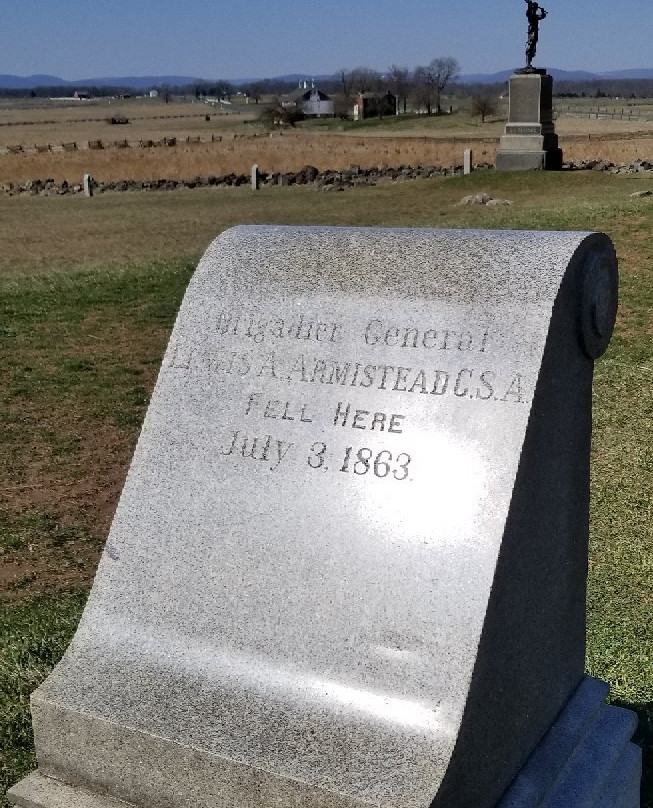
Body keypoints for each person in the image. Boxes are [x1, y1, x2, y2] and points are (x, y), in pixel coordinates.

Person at [525, 0, 547, 68]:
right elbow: (528, 13)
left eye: (536, 8)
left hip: (535, 33)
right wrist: (529, 4)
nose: (535, 9)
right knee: (530, 47)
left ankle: (529, 63)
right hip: (532, 33)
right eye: (534, 8)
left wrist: (542, 11)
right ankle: (527, 64)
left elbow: (542, 16)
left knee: (533, 48)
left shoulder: (535, 16)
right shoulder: (531, 15)